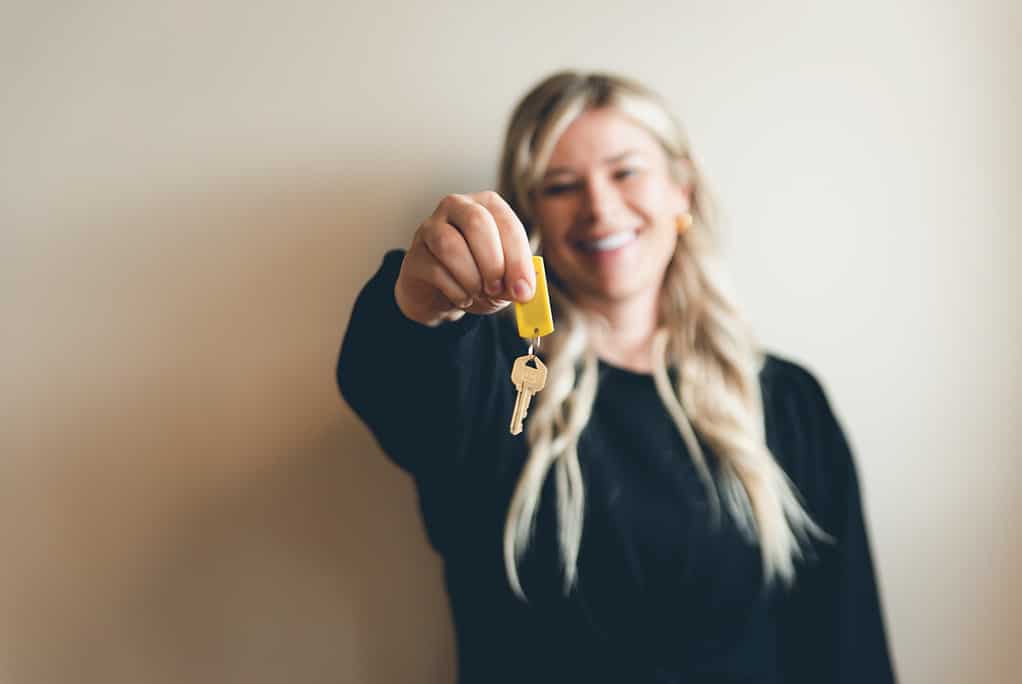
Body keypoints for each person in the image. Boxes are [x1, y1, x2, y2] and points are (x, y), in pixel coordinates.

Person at [336, 71, 896, 683]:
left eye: (626, 172)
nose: (599, 206)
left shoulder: (788, 402)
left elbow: (846, 640)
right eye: (561, 185)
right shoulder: (491, 377)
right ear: (531, 218)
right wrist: (421, 302)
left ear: (681, 191)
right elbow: (397, 389)